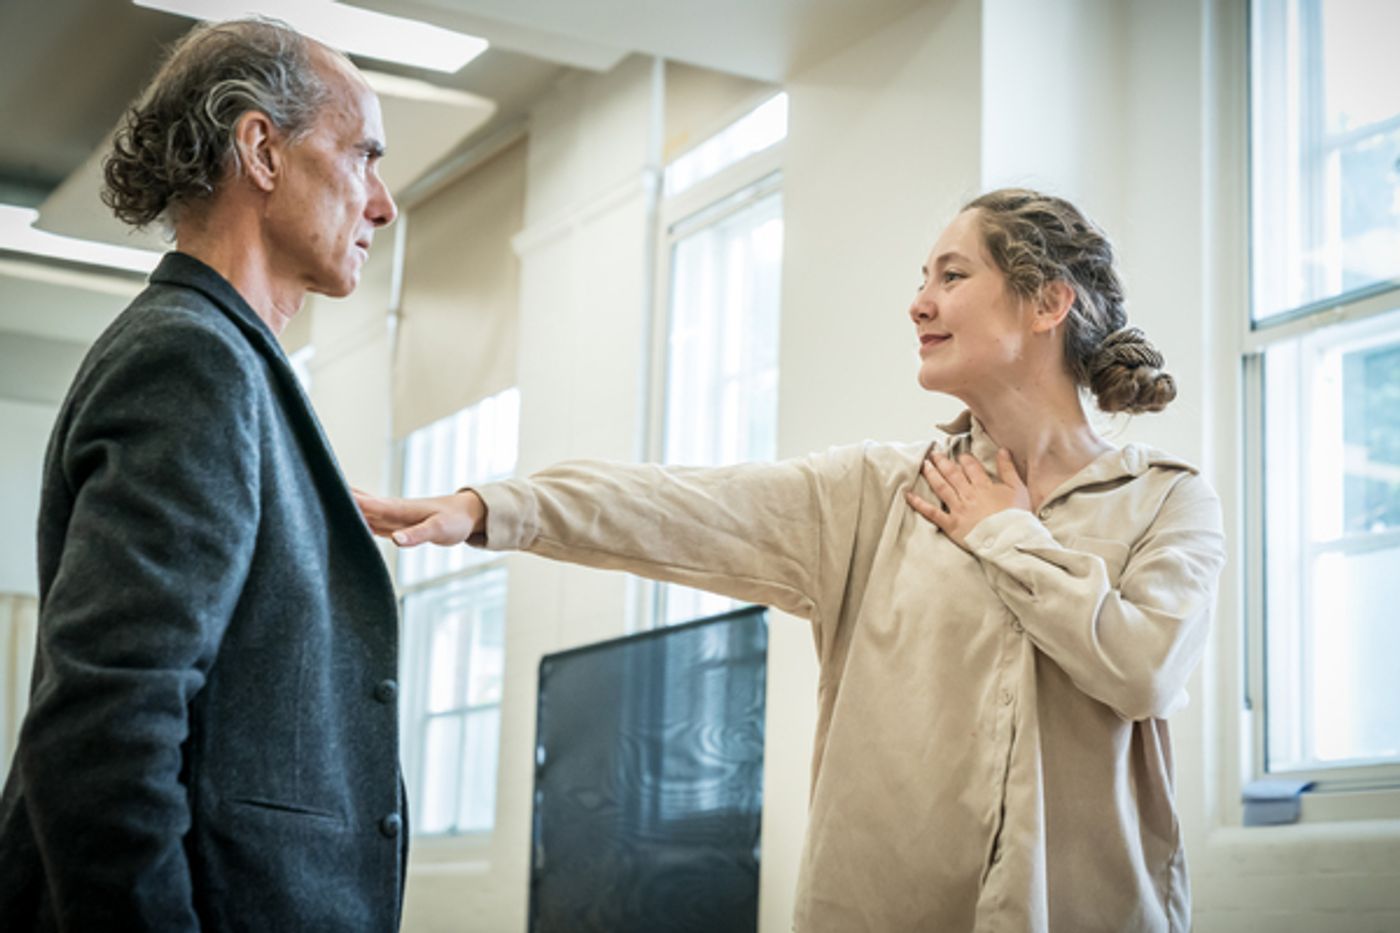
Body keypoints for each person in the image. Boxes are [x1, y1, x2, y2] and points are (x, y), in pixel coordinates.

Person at [356, 188, 1226, 932]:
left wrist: (1005, 532)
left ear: (1048, 303)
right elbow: (677, 506)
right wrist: (496, 506)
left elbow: (1143, 670)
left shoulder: (1167, 501)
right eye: (921, 279)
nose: (919, 303)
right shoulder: (875, 495)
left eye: (951, 276)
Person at [0, 19, 406, 931]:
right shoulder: (192, 359)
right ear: (262, 150)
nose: (382, 204)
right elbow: (106, 722)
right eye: (364, 156)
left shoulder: (231, 362)